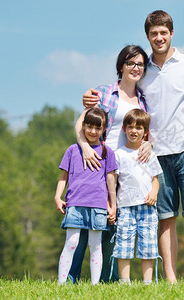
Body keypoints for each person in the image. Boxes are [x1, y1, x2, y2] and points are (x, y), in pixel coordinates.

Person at [83, 10, 184, 283]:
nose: (159, 38)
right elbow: (121, 90)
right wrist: (91, 96)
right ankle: (170, 280)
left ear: (172, 34)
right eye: (153, 34)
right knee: (165, 219)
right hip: (155, 157)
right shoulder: (142, 70)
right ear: (148, 36)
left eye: (163, 33)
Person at [72, 45, 152, 283]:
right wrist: (85, 146)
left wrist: (149, 144)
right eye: (130, 63)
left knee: (114, 223)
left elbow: (146, 131)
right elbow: (81, 123)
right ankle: (71, 277)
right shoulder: (105, 92)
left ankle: (109, 278)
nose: (135, 68)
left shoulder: (144, 100)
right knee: (85, 223)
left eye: (139, 64)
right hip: (98, 165)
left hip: (128, 171)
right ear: (121, 66)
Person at [54, 107, 118, 285]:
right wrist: (57, 196)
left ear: (104, 129)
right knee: (72, 241)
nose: (93, 131)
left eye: (98, 128)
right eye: (89, 127)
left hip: (98, 205)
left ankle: (95, 285)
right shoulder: (73, 150)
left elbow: (110, 181)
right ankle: (61, 283)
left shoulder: (108, 152)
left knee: (95, 245)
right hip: (75, 203)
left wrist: (113, 205)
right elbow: (63, 176)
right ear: (83, 126)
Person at [112, 109, 162, 284]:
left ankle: (147, 283)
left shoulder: (150, 154)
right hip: (125, 206)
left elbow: (155, 180)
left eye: (139, 128)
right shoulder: (118, 154)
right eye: (131, 127)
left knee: (148, 245)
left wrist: (154, 192)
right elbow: (113, 182)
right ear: (124, 129)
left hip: (147, 207)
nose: (134, 131)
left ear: (146, 132)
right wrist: (113, 205)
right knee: (123, 245)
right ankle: (124, 282)